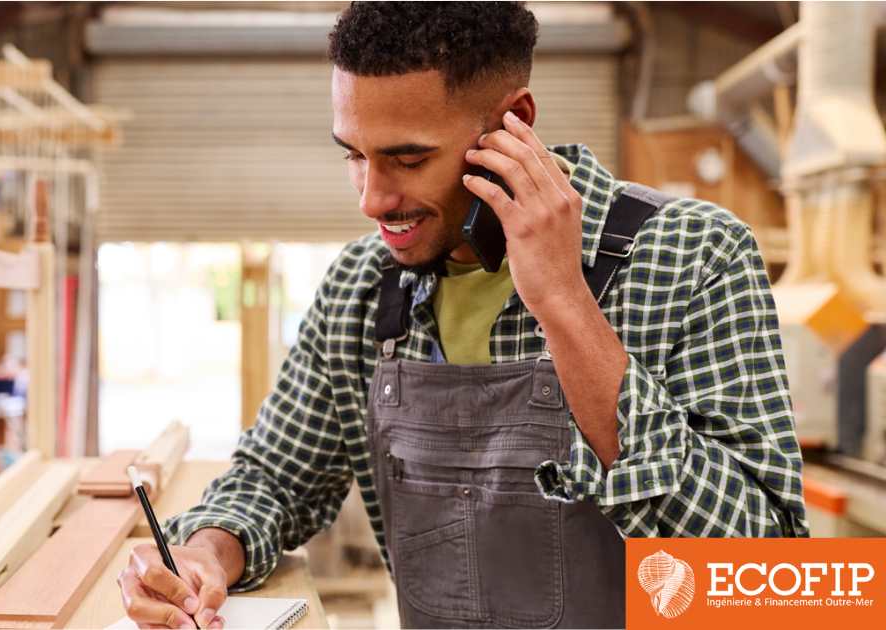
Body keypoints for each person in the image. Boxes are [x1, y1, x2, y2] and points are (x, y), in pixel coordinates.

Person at [116, 3, 809, 628]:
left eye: (408, 158)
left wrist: (566, 304)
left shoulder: (694, 256)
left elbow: (771, 583)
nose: (372, 199)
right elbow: (275, 477)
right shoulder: (364, 286)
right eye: (355, 155)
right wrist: (205, 553)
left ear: (515, 124)